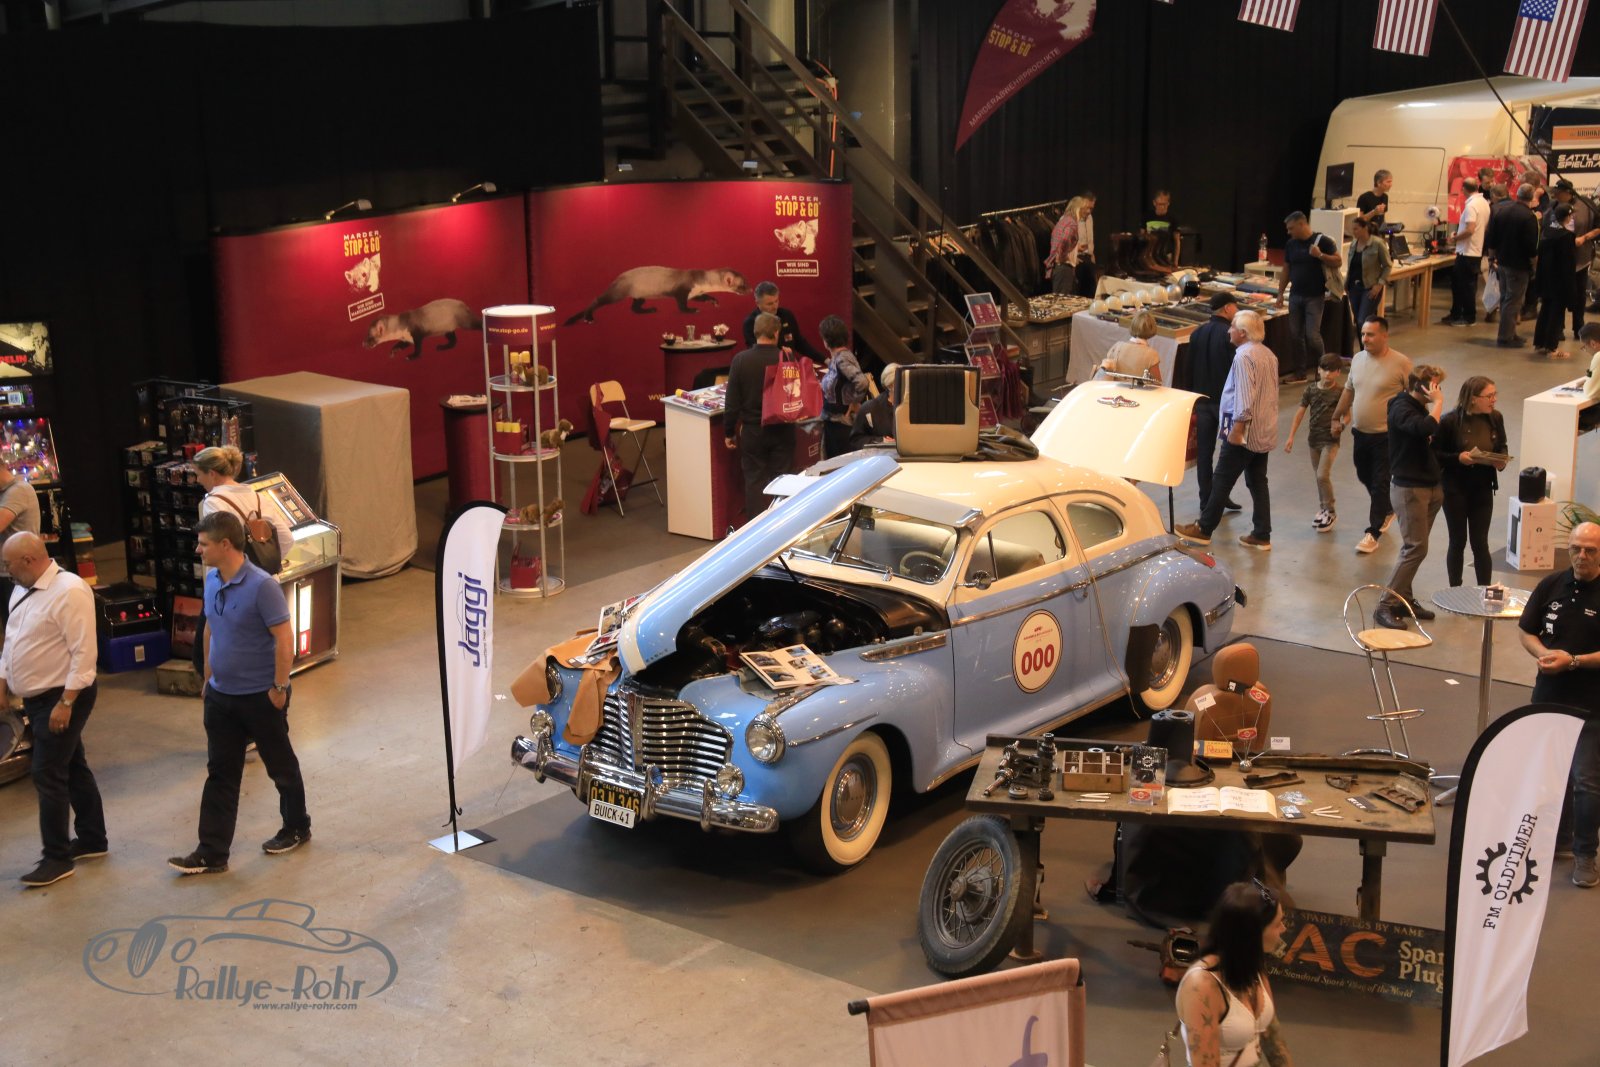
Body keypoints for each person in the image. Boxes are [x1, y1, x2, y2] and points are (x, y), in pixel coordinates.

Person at [169, 510, 309, 875]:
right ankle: (212, 852)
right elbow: (210, 630)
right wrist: (208, 676)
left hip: (260, 696)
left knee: (280, 766)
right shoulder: (212, 579)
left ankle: (297, 826)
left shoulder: (262, 587)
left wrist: (279, 686)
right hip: (221, 697)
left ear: (225, 544)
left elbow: (284, 638)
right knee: (220, 773)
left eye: (203, 544)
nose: (198, 550)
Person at [0, 532, 104, 888]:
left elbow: (84, 654)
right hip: (39, 698)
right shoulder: (22, 589)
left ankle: (57, 858)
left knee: (47, 773)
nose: (6, 571)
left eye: (8, 564)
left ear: (28, 560)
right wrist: (3, 681)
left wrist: (66, 702)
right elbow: (12, 640)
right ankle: (93, 839)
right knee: (72, 765)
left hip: (62, 697)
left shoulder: (70, 591)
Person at [1517, 521, 1600, 888]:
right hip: (1548, 698)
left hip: (1592, 706)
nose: (1582, 556)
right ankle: (1557, 840)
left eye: (1591, 550)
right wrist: (1543, 653)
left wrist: (1575, 661)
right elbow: (1526, 630)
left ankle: (1586, 854)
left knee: (1586, 782)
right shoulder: (1551, 585)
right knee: (1549, 774)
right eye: (1576, 548)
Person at [1175, 309, 1277, 551]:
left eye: (1232, 327)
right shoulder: (1268, 354)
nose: (1228, 330)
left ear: (1242, 332)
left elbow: (1245, 397)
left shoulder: (1243, 357)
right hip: (1263, 428)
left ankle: (1204, 529)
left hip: (1244, 431)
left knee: (1222, 479)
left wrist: (1237, 428)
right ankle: (1262, 533)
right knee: (1257, 481)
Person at [1175, 879, 1295, 1067]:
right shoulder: (1202, 986)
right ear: (1253, 934)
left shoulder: (1252, 965)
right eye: (1277, 924)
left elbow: (1272, 1039)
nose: (1283, 929)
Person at [1374, 365, 1445, 630]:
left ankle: (1403, 600)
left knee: (1414, 547)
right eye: (1434, 386)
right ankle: (1384, 604)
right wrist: (1438, 403)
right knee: (1416, 548)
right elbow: (1424, 428)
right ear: (1420, 386)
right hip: (1410, 489)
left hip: (1428, 486)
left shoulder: (1418, 407)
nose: (1438, 391)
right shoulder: (1401, 407)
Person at [1333, 315, 1412, 555]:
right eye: (1363, 334)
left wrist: (1418, 428)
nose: (1365, 338)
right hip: (1360, 432)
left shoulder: (1401, 363)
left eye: (1370, 334)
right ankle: (1387, 508)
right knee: (1364, 474)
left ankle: (1373, 532)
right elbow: (1349, 390)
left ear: (1384, 336)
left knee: (1379, 482)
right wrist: (1336, 417)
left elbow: (1415, 397)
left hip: (1387, 435)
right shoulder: (1358, 359)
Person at [1434, 376, 1508, 587]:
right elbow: (1435, 454)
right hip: (1455, 489)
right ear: (1473, 398)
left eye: (1495, 395)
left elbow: (1502, 446)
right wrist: (1458, 458)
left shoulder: (1495, 418)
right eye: (1489, 396)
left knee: (1480, 543)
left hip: (1482, 488)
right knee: (1457, 541)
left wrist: (1501, 460)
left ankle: (1484, 590)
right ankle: (1454, 590)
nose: (1494, 399)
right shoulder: (1449, 421)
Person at [724, 312, 798, 519]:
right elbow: (794, 393)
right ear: (776, 333)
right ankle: (785, 524)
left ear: (756, 332)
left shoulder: (740, 360)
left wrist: (729, 432)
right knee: (784, 480)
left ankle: (756, 527)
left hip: (753, 431)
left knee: (754, 482)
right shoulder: (787, 357)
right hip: (783, 429)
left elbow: (731, 403)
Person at [1187, 292, 1242, 514]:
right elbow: (1236, 370)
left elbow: (1188, 368)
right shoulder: (1230, 335)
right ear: (1227, 308)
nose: (1237, 311)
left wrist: (1190, 400)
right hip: (1225, 406)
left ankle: (1206, 500)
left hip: (1201, 403)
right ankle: (1219, 496)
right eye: (1235, 307)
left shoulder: (1197, 333)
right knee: (1227, 451)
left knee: (1204, 453)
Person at [1284, 353, 1344, 532]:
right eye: (1324, 370)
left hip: (1330, 441)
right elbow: (1300, 413)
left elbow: (1347, 415)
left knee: (1322, 475)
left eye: (1332, 371)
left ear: (1338, 372)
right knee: (1318, 475)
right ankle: (1323, 508)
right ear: (1318, 370)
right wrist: (1291, 436)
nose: (1327, 374)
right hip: (1313, 441)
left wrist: (1341, 425)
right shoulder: (1311, 390)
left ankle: (1331, 511)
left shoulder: (1340, 392)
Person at [1277, 212, 1341, 378]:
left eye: (1291, 228)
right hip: (1295, 296)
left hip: (1315, 296)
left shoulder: (1323, 241)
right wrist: (1280, 293)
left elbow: (1338, 261)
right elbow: (1286, 269)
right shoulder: (1291, 244)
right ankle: (1300, 372)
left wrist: (1320, 255)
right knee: (1295, 335)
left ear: (1302, 224)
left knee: (1312, 336)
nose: (1289, 232)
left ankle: (1324, 369)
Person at [1484, 182, 1540, 347]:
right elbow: (1531, 246)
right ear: (1532, 197)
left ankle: (1511, 333)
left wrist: (1491, 258)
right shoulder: (1529, 217)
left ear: (1517, 194)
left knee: (1505, 298)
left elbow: (1492, 238)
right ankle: (1505, 337)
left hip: (1502, 262)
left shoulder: (1502, 211)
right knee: (1513, 301)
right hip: (1518, 265)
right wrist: (1535, 265)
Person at [817, 315, 870, 459]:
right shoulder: (840, 357)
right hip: (836, 422)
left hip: (841, 424)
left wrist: (854, 401)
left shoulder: (842, 359)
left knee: (839, 463)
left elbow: (862, 382)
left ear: (826, 341)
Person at [1552, 178, 1600, 336]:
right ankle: (1558, 328)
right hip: (1560, 259)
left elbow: (1598, 227)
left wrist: (1584, 238)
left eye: (1558, 193)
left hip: (1581, 257)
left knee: (1579, 295)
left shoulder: (1586, 205)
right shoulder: (1553, 206)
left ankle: (1578, 327)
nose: (1555, 195)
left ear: (1568, 193)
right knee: (1559, 295)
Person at [1535, 203, 1579, 359]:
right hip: (1560, 282)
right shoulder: (1566, 237)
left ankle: (1540, 342)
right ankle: (1552, 347)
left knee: (1545, 311)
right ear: (1567, 217)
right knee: (1557, 314)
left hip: (1546, 280)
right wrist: (1571, 288)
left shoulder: (1547, 231)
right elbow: (1568, 264)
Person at [0, 464, 42, 627]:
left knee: (21, 630)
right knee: (11, 630)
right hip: (9, 575)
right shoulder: (5, 493)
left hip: (19, 576)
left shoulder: (18, 490)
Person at [1445, 177, 1490, 326]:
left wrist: (1455, 238)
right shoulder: (1484, 203)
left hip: (1467, 251)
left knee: (1464, 286)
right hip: (1475, 250)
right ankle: (1456, 313)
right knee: (1464, 285)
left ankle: (1468, 317)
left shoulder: (1471, 206)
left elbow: (1470, 229)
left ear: (1464, 189)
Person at [739, 281, 822, 360]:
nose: (775, 306)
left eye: (776, 301)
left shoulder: (787, 315)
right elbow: (757, 352)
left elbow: (800, 342)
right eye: (770, 304)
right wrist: (783, 355)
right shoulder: (750, 323)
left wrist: (824, 359)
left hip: (789, 366)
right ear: (758, 303)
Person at [1345, 216, 1391, 332]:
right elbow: (1351, 266)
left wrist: (1379, 285)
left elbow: (1387, 266)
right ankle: (1364, 343)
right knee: (1357, 321)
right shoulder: (1353, 244)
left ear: (1365, 228)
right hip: (1354, 287)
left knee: (1363, 320)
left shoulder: (1378, 243)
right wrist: (1346, 283)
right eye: (1352, 229)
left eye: (1356, 229)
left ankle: (1369, 343)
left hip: (1370, 287)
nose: (1353, 232)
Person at [1098, 308, 1162, 382]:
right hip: (1136, 389)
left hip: (1115, 389)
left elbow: (1106, 373)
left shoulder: (1117, 347)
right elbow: (1157, 383)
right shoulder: (1152, 354)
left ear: (1132, 325)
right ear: (1152, 328)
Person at [1045, 196, 1089, 296]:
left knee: (1059, 299)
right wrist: (1063, 256)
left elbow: (1061, 240)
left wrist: (1074, 248)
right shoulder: (1072, 223)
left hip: (1059, 268)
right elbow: (1064, 239)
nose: (1086, 211)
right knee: (1062, 301)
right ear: (1078, 208)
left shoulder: (1064, 220)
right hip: (1064, 269)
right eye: (1084, 208)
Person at [849, 363, 899, 450]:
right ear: (889, 386)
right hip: (882, 456)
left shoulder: (913, 405)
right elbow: (856, 440)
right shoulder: (870, 408)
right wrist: (881, 441)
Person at [1143, 188, 1181, 264]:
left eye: (1164, 204)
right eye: (1159, 204)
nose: (1162, 207)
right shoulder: (1147, 217)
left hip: (1166, 256)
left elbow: (1177, 242)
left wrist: (1175, 262)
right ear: (1154, 203)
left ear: (1168, 203)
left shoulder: (1173, 219)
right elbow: (1142, 238)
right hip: (1149, 255)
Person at [1074, 190, 1099, 297]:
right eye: (1087, 207)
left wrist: (1092, 255)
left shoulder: (1089, 218)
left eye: (1091, 208)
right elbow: (1062, 244)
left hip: (1088, 258)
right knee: (1078, 293)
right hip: (1076, 259)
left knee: (1091, 292)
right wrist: (1073, 255)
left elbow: (1090, 239)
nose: (1089, 211)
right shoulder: (1070, 219)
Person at [1580, 322, 1600, 401]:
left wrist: (1587, 384)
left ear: (1593, 344)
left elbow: (1590, 393)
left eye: (1584, 347)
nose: (1585, 350)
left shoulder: (1598, 356)